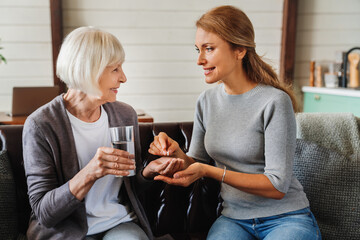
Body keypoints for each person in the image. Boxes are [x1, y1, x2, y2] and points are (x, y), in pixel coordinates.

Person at [148, 5, 322, 240]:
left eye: (209, 49)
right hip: (234, 220)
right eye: (198, 50)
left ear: (239, 50)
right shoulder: (206, 101)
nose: (200, 60)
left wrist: (209, 170)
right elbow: (196, 163)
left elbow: (277, 186)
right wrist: (174, 150)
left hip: (286, 218)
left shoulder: (274, 101)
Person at [23, 26, 182, 240]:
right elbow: (45, 213)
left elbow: (129, 185)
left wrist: (148, 171)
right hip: (66, 233)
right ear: (87, 70)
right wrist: (90, 173)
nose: (123, 77)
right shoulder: (41, 125)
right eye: (115, 69)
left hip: (119, 225)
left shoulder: (124, 115)